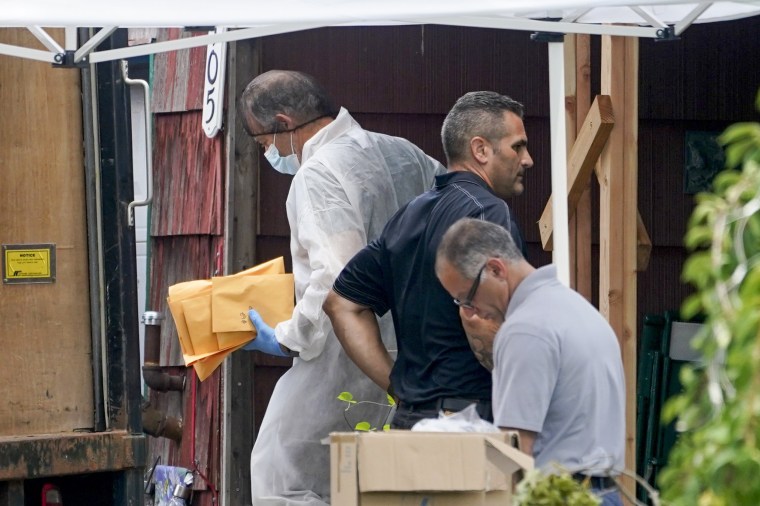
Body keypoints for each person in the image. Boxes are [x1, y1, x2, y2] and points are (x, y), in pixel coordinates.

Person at [237, 70, 444, 505]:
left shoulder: (316, 174)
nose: (269, 155)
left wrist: (288, 337)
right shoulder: (403, 153)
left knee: (282, 476)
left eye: (263, 144)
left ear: (282, 121)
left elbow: (336, 278)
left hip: (340, 355)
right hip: (413, 354)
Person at [323, 91, 532, 429]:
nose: (527, 160)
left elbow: (341, 303)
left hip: (413, 421)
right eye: (517, 146)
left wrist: (398, 387)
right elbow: (492, 322)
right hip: (472, 422)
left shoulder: (408, 214)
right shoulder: (489, 213)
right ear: (480, 150)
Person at [435, 217, 626, 506]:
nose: (471, 312)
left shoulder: (525, 329)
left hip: (558, 495)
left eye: (467, 298)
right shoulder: (577, 308)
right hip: (603, 491)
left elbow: (516, 453)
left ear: (496, 269)